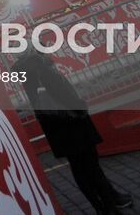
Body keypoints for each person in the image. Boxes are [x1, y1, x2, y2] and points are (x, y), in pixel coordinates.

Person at [14, 48, 132, 214]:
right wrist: (81, 108)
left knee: (80, 168)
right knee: (91, 166)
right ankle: (108, 206)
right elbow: (64, 95)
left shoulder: (29, 73)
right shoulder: (43, 70)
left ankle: (105, 203)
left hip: (57, 128)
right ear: (34, 50)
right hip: (72, 123)